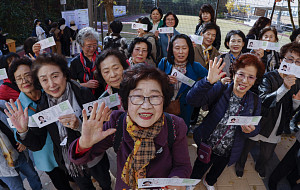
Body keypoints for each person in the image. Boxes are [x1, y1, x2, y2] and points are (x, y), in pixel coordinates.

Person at [68, 64, 192, 190]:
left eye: (154, 97)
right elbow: (81, 158)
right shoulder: (117, 122)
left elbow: (182, 165)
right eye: (137, 97)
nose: (146, 106)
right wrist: (83, 144)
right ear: (126, 100)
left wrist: (176, 180)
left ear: (164, 100)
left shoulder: (175, 125)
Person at [7, 54, 112, 190]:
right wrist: (23, 131)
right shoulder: (43, 106)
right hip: (70, 162)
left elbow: (100, 127)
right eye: (44, 80)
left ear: (65, 74)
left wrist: (79, 126)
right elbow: (38, 143)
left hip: (95, 158)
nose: (51, 84)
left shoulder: (82, 93)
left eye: (55, 76)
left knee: (105, 184)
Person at [188, 54, 264, 190]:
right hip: (208, 143)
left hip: (230, 149)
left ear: (255, 80)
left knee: (217, 169)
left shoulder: (255, 100)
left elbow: (256, 127)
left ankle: (209, 182)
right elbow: (192, 100)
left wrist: (251, 130)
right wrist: (207, 82)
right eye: (241, 74)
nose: (245, 81)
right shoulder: (221, 89)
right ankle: (192, 182)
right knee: (200, 166)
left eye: (251, 77)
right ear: (234, 73)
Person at [235, 42, 300, 179]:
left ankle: (260, 167)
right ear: (282, 60)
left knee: (267, 154)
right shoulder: (269, 77)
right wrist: (284, 88)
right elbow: (264, 101)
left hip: (277, 124)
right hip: (262, 120)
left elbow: (291, 110)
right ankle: (240, 164)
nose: (294, 64)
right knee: (247, 146)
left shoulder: (297, 82)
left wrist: (296, 101)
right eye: (290, 59)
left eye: (298, 61)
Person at [7, 57, 73, 190]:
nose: (24, 81)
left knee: (74, 175)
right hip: (46, 155)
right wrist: (22, 133)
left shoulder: (50, 90)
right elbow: (18, 134)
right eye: (19, 78)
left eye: (27, 75)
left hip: (66, 146)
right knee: (62, 184)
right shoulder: (18, 107)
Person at [158, 34, 208, 127]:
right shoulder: (164, 63)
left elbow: (209, 79)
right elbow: (155, 82)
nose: (181, 52)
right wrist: (165, 80)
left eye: (184, 48)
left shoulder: (195, 66)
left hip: (186, 108)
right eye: (177, 48)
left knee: (181, 132)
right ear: (172, 49)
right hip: (164, 107)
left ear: (189, 49)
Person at [0, 119, 42, 190]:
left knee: (33, 175)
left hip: (19, 153)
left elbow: (16, 125)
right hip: (3, 168)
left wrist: (22, 139)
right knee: (17, 187)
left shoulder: (2, 110)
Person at [70, 27, 104, 98]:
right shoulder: (75, 62)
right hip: (85, 96)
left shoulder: (102, 58)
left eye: (94, 45)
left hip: (103, 95)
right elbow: (71, 83)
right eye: (88, 46)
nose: (92, 48)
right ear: (81, 45)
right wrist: (85, 85)